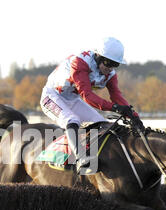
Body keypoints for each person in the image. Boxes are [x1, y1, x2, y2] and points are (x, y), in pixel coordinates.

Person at [40, 36, 143, 174]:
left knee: (102, 123)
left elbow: (116, 96)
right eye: (108, 63)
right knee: (72, 120)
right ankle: (80, 158)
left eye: (115, 64)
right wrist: (115, 108)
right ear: (98, 56)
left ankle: (96, 156)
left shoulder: (111, 74)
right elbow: (87, 96)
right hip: (52, 96)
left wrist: (133, 115)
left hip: (72, 99)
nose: (110, 68)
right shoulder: (80, 63)